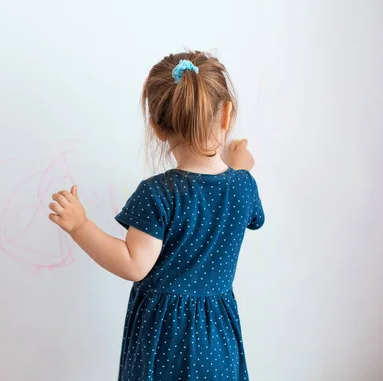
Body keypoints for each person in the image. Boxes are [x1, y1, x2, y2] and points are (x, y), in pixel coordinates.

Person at [48, 50, 265, 381]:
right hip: (218, 336)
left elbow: (134, 264)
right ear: (226, 116)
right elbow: (237, 184)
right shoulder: (243, 187)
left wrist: (80, 226)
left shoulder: (159, 194)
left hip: (166, 339)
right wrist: (239, 163)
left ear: (158, 128)